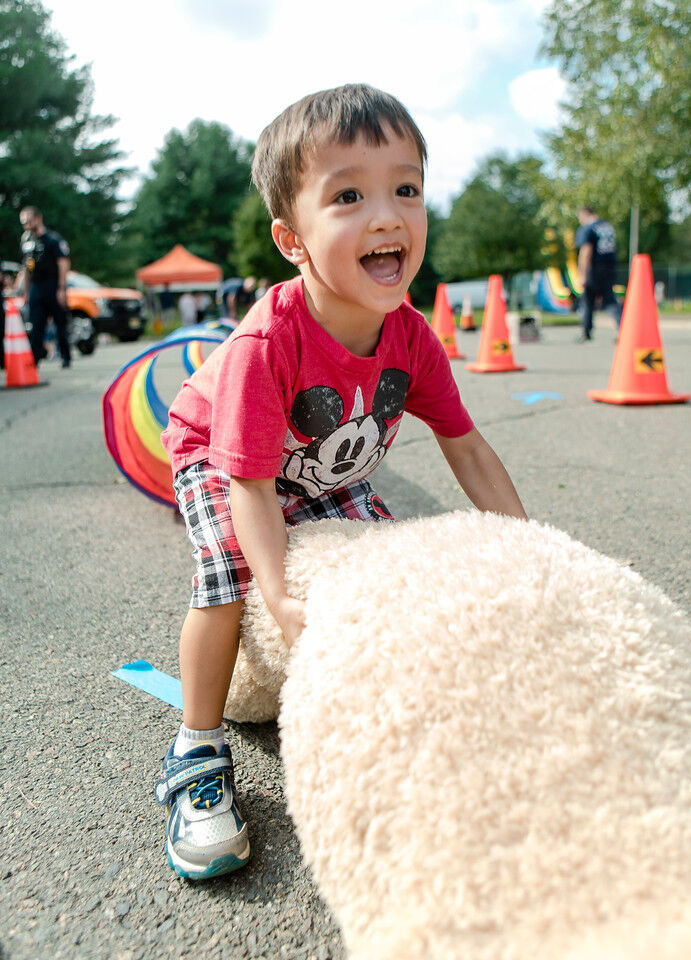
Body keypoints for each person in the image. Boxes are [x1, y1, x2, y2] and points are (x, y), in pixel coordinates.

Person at [155, 83, 527, 881]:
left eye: (406, 188)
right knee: (227, 580)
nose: (387, 214)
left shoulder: (412, 337)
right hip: (219, 453)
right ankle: (197, 745)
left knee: (390, 566)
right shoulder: (268, 341)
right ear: (292, 239)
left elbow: (465, 446)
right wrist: (282, 595)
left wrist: (528, 546)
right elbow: (253, 488)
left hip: (320, 466)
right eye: (349, 195)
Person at [14, 206, 72, 367]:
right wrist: (25, 291)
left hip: (53, 284)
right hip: (36, 286)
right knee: (36, 323)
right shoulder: (26, 241)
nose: (25, 224)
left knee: (60, 323)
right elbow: (25, 267)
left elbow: (63, 263)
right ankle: (35, 360)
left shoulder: (53, 240)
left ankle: (66, 357)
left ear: (38, 218)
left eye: (28, 220)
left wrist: (61, 288)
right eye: (23, 222)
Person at [576, 205, 622, 342]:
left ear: (584, 214)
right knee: (610, 300)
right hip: (609, 267)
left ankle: (586, 332)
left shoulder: (588, 229)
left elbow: (586, 251)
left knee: (588, 300)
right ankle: (623, 329)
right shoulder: (607, 227)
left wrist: (582, 274)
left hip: (595, 268)